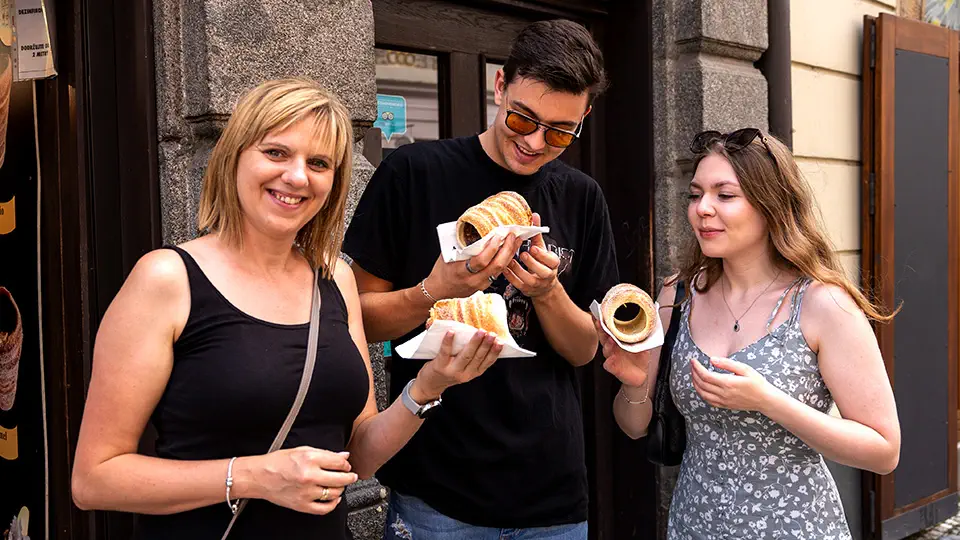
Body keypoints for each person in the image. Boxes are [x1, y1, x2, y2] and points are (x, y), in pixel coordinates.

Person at [70, 77, 504, 540]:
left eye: (318, 163)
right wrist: (256, 476)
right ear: (235, 156)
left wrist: (428, 386)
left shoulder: (334, 278)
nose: (298, 177)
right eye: (276, 153)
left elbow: (355, 457)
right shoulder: (167, 279)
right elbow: (94, 480)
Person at [343, 19, 618, 540]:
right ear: (499, 88)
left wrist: (546, 291)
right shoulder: (413, 173)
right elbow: (357, 319)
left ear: (583, 119)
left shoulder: (582, 196)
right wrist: (437, 289)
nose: (536, 142)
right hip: (436, 492)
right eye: (522, 119)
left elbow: (585, 351)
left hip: (552, 498)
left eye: (561, 131)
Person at [598, 128, 901, 539]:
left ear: (771, 205)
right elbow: (634, 426)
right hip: (695, 525)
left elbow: (884, 450)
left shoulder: (822, 303)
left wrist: (768, 401)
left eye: (725, 195)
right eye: (695, 193)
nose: (702, 208)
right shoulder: (677, 293)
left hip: (795, 527)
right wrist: (634, 384)